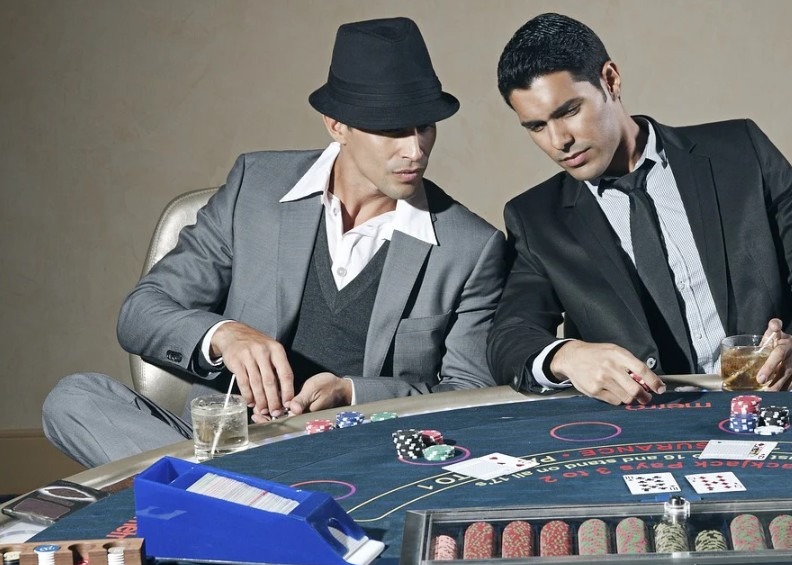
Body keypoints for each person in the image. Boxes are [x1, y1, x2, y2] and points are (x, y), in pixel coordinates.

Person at [43, 17, 505, 468]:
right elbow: (141, 312)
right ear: (336, 124)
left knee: (187, 479)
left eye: (425, 126)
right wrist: (225, 335)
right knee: (74, 398)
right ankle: (221, 491)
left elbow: (470, 395)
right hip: (220, 447)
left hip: (355, 460)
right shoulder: (255, 187)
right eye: (392, 130)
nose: (415, 150)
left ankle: (209, 496)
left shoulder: (470, 246)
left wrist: (352, 392)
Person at [488, 13, 792, 406]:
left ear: (610, 80)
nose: (558, 140)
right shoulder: (536, 218)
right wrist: (567, 356)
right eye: (536, 126)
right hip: (640, 427)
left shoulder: (741, 155)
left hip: (770, 407)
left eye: (568, 111)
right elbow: (509, 336)